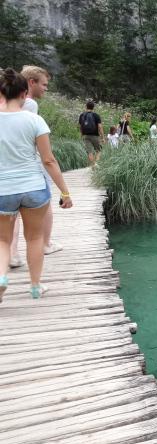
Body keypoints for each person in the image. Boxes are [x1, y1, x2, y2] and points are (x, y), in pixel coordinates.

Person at [0, 69, 73, 302]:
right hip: (33, 187)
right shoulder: (35, 120)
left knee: (3, 240)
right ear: (24, 93)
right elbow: (48, 160)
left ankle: (1, 277)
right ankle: (35, 287)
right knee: (34, 238)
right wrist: (65, 192)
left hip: (3, 189)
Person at [79, 100, 104, 166]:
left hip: (86, 136)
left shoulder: (82, 115)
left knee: (89, 152)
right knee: (98, 150)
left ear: (86, 106)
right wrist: (102, 137)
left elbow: (80, 127)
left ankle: (92, 166)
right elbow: (100, 127)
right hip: (95, 135)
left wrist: (81, 135)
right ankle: (96, 164)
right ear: (93, 107)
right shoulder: (96, 115)